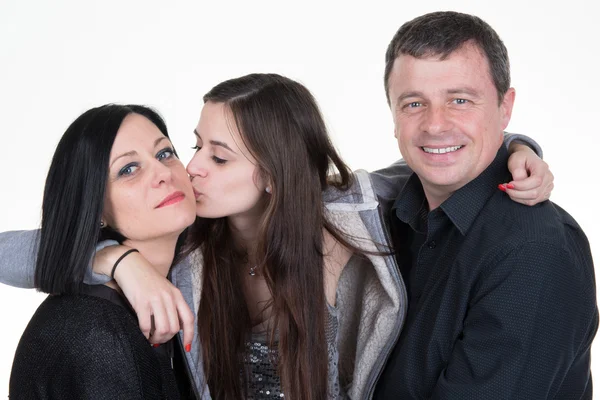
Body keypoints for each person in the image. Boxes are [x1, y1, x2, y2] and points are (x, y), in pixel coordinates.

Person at [1, 75, 551, 399]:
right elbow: (22, 249)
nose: (188, 169)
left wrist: (518, 148)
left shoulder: (356, 213)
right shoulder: (186, 241)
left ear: (272, 173)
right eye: (193, 147)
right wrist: (120, 262)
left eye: (215, 156)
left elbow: (441, 157)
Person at [371, 11, 598, 399]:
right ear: (392, 115)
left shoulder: (532, 249)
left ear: (505, 108)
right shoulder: (388, 214)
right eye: (413, 104)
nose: (435, 125)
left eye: (460, 100)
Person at [8, 104, 198, 399]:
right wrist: (116, 259)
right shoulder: (99, 336)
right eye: (128, 169)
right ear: (95, 209)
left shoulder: (190, 262)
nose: (163, 172)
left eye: (164, 153)